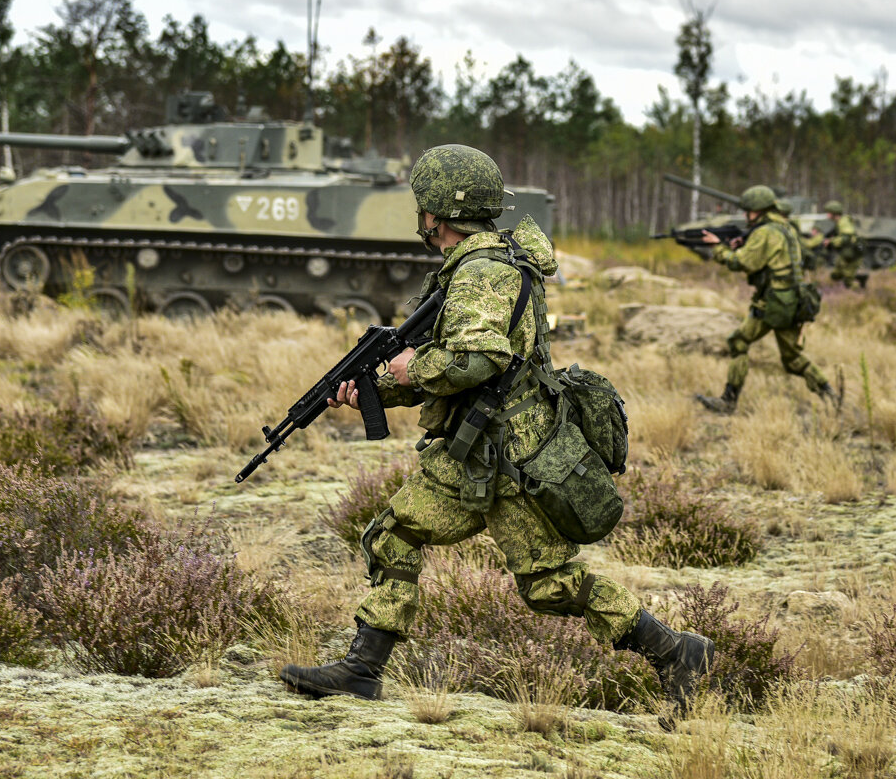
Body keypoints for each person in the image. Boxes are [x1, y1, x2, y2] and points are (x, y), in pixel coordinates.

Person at [278, 144, 714, 725]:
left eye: (423, 207)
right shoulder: (486, 263)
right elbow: (467, 368)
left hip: (507, 459)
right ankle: (363, 669)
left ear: (436, 213)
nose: (421, 217)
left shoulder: (483, 271)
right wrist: (380, 390)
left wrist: (411, 369)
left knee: (549, 585)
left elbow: (480, 358)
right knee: (393, 535)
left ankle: (676, 650)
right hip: (472, 450)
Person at [696, 185, 836, 414]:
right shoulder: (782, 227)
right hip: (793, 300)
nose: (745, 215)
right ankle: (831, 396)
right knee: (792, 359)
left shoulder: (764, 232)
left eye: (748, 211)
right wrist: (744, 244)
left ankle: (728, 402)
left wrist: (718, 249)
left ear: (758, 211)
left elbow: (743, 263)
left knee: (739, 342)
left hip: (773, 303)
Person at [809, 200, 865, 289]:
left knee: (848, 281)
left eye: (828, 213)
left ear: (834, 213)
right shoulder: (838, 222)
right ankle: (858, 278)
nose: (827, 215)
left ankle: (860, 292)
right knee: (835, 275)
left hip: (851, 256)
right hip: (844, 254)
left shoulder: (844, 222)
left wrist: (831, 241)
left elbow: (846, 237)